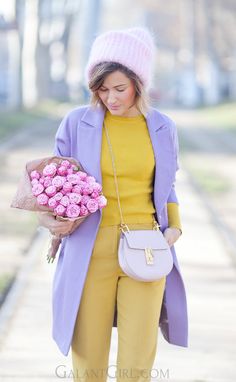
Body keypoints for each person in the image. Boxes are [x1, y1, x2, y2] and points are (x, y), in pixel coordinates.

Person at [38, 27, 188, 381]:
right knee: (88, 364)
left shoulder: (163, 127)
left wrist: (175, 226)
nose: (111, 98)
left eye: (119, 88)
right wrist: (49, 221)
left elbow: (168, 185)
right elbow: (53, 185)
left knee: (136, 365)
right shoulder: (77, 123)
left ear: (139, 82)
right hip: (90, 253)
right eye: (102, 89)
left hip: (147, 249)